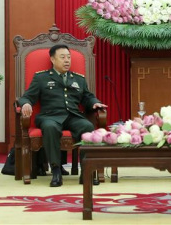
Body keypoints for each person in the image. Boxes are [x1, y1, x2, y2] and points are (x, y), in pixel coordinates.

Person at [18, 44, 107, 187]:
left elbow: (87, 97)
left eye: (69, 57)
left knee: (87, 126)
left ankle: (86, 171)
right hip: (50, 116)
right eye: (63, 57)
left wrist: (95, 103)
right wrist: (25, 104)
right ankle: (56, 170)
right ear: (53, 59)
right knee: (50, 127)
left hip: (73, 116)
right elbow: (26, 97)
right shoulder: (41, 78)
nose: (67, 60)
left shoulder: (78, 79)